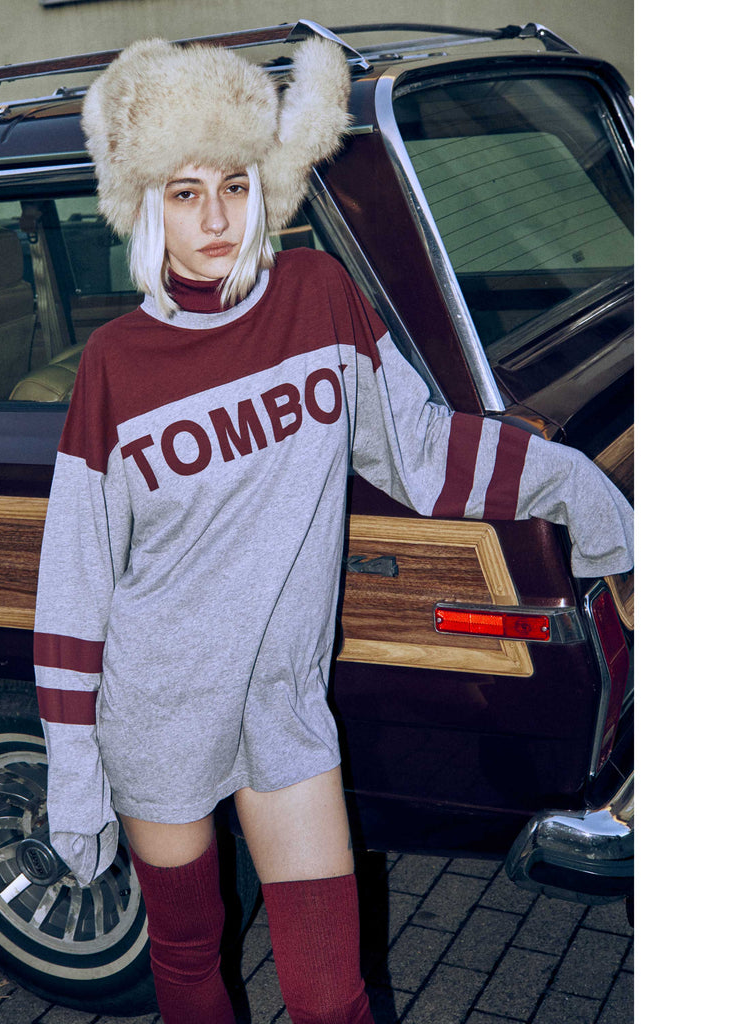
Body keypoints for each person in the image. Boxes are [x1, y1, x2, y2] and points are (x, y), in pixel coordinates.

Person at [33, 35, 634, 1024]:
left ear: (262, 185)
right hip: (159, 711)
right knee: (188, 962)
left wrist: (572, 483)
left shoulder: (318, 298)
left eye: (234, 184)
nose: (216, 217)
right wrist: (72, 767)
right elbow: (77, 575)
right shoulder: (115, 362)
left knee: (331, 995)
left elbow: (420, 450)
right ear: (145, 204)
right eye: (185, 192)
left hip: (285, 706)